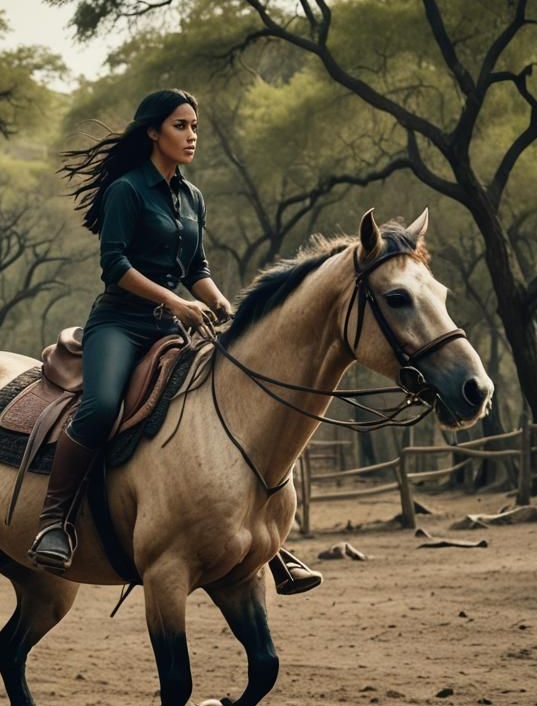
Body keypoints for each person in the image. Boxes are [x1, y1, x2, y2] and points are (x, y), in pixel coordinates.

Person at [27, 88, 321, 596]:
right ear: (153, 133)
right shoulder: (126, 190)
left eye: (194, 127)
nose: (191, 136)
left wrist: (224, 305)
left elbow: (197, 269)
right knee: (98, 410)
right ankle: (55, 521)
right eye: (180, 126)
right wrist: (178, 303)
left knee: (229, 403)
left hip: (171, 328)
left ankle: (262, 539)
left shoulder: (191, 197)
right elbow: (115, 266)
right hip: (120, 325)